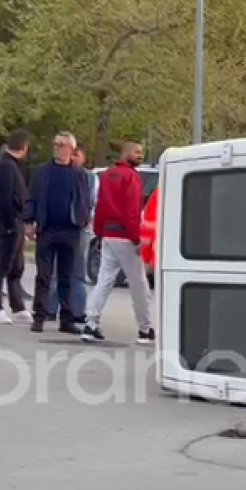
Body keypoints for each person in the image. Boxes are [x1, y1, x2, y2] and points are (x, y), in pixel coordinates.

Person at [81, 142, 155, 344]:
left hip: (108, 235)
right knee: (139, 283)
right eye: (137, 152)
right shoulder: (131, 177)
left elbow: (101, 204)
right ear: (127, 153)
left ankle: (91, 323)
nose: (141, 155)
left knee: (104, 281)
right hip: (125, 237)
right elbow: (131, 211)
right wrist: (136, 239)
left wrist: (99, 231)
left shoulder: (107, 175)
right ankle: (145, 329)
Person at [24, 131, 90, 334]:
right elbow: (32, 197)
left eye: (62, 145)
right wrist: (29, 221)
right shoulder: (43, 172)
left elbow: (85, 199)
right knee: (43, 275)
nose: (58, 148)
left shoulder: (79, 173)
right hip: (48, 229)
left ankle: (67, 319)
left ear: (72, 149)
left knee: (67, 276)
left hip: (70, 230)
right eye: (56, 144)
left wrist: (83, 219)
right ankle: (39, 316)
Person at [0, 129, 32, 324]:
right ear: (24, 147)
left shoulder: (13, 166)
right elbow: (4, 197)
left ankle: (17, 305)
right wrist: (8, 223)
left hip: (17, 220)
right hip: (10, 221)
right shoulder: (6, 167)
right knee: (3, 265)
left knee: (17, 266)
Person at [47, 143, 94, 321]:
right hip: (59, 226)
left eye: (77, 155)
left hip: (78, 227)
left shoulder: (87, 177)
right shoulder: (58, 173)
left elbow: (89, 201)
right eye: (71, 154)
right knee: (56, 270)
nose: (73, 158)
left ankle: (77, 310)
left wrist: (84, 220)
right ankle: (51, 308)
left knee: (77, 270)